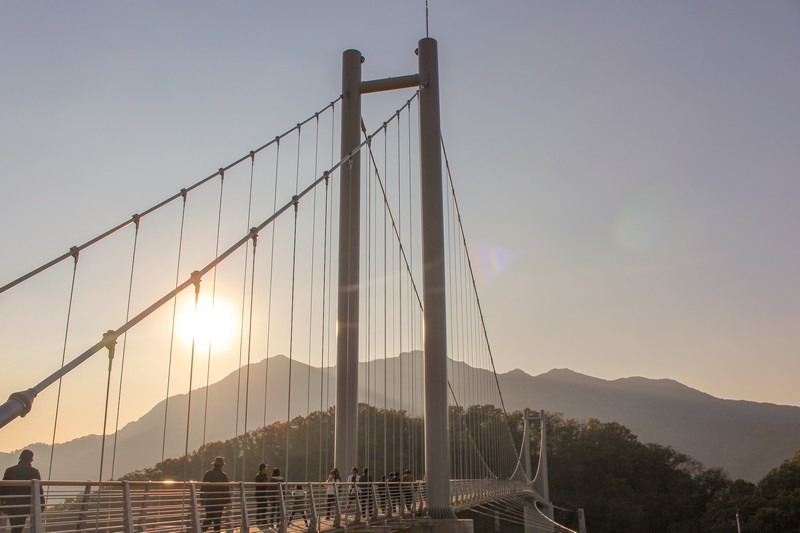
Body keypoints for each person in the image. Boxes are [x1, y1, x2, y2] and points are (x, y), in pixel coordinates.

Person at [1, 449, 44, 533]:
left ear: (20, 458)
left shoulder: (9, 470)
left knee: (15, 526)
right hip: (25, 505)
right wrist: (41, 504)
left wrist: (2, 504)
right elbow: (39, 490)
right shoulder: (34, 472)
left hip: (11, 505)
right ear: (31, 459)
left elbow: (2, 489)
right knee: (19, 527)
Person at [200, 456, 230, 532]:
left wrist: (202, 500)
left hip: (208, 501)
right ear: (221, 466)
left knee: (209, 517)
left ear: (214, 465)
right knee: (217, 520)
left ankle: (201, 530)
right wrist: (228, 502)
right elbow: (226, 490)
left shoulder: (207, 474)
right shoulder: (223, 476)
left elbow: (202, 488)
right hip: (219, 502)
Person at [254, 463, 269, 527]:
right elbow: (262, 484)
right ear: (262, 468)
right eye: (265, 468)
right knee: (260, 507)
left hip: (264, 494)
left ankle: (263, 520)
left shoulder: (265, 476)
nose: (266, 469)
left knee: (264, 507)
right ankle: (258, 520)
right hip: (260, 494)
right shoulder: (258, 476)